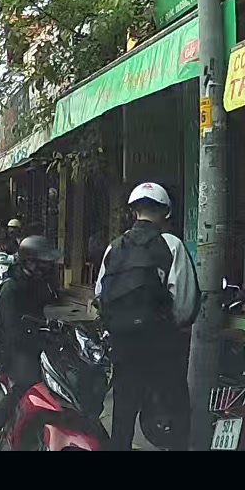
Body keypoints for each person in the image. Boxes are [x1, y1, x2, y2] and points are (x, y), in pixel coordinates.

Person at [94, 182, 198, 451]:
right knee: (175, 411)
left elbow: (99, 295)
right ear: (166, 212)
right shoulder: (172, 245)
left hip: (123, 346)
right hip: (162, 347)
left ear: (133, 212)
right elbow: (185, 305)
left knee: (123, 415)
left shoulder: (114, 247)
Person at [0, 235, 62, 449]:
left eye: (48, 265)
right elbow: (13, 331)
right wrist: (38, 337)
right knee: (27, 382)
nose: (46, 268)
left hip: (35, 342)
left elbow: (50, 311)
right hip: (11, 347)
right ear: (29, 262)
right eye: (42, 264)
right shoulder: (10, 289)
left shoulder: (38, 284)